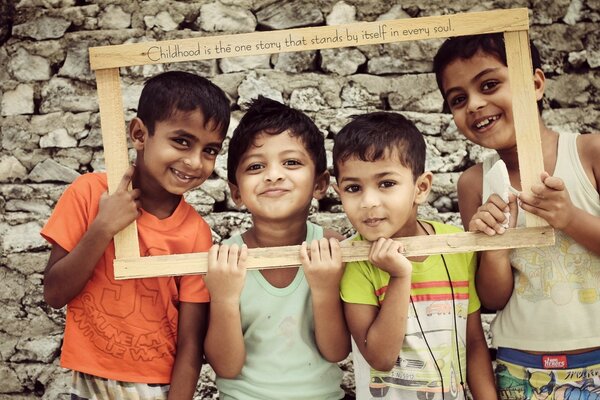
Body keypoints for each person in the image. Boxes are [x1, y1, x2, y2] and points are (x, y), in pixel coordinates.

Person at [41, 71, 231, 400]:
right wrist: (102, 228)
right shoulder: (89, 194)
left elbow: (190, 344)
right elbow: (55, 293)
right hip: (89, 384)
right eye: (182, 141)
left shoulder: (196, 234)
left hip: (157, 388)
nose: (195, 161)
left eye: (210, 150)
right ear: (140, 134)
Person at [433, 33, 600, 399]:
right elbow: (493, 298)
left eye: (489, 84)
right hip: (521, 369)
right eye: (458, 99)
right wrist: (493, 249)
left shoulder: (589, 153)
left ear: (536, 84)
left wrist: (569, 217)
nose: (475, 104)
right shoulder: (474, 183)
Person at [335, 112, 497, 400]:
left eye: (386, 183)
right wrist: (399, 275)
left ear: (420, 188)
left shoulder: (454, 246)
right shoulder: (355, 261)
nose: (369, 202)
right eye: (353, 188)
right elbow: (380, 358)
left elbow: (473, 342)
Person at [203, 96, 350, 400]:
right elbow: (226, 368)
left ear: (320, 184)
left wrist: (324, 290)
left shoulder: (331, 247)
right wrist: (225, 298)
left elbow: (336, 352)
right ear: (236, 192)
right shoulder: (226, 259)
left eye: (291, 162)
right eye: (256, 166)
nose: (273, 175)